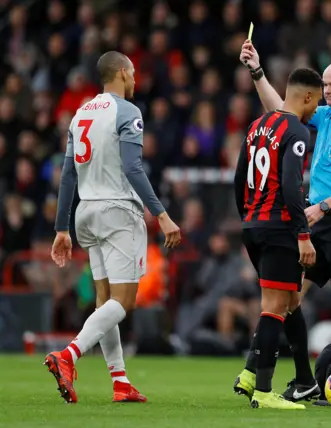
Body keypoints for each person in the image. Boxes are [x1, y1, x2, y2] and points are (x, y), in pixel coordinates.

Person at [239, 40, 331, 401]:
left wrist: (325, 206)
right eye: (325, 84)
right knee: (288, 297)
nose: (328, 90)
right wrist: (257, 72)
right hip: (313, 220)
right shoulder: (324, 117)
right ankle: (301, 378)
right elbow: (283, 110)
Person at [45, 51, 181, 404]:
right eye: (133, 73)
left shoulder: (81, 114)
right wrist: (162, 214)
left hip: (85, 212)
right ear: (122, 73)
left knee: (104, 302)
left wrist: (61, 227)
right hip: (118, 211)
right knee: (124, 301)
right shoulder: (128, 112)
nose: (135, 80)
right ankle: (68, 356)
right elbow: (133, 168)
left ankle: (120, 382)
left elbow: (68, 175)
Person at [232, 68, 324, 409]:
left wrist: (248, 217)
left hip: (253, 225)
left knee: (288, 301)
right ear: (308, 97)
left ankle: (257, 375)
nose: (316, 111)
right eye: (316, 102)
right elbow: (291, 184)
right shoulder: (297, 130)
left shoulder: (258, 125)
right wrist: (303, 234)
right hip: (279, 228)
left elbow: (239, 176)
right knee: (274, 308)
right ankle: (264, 392)